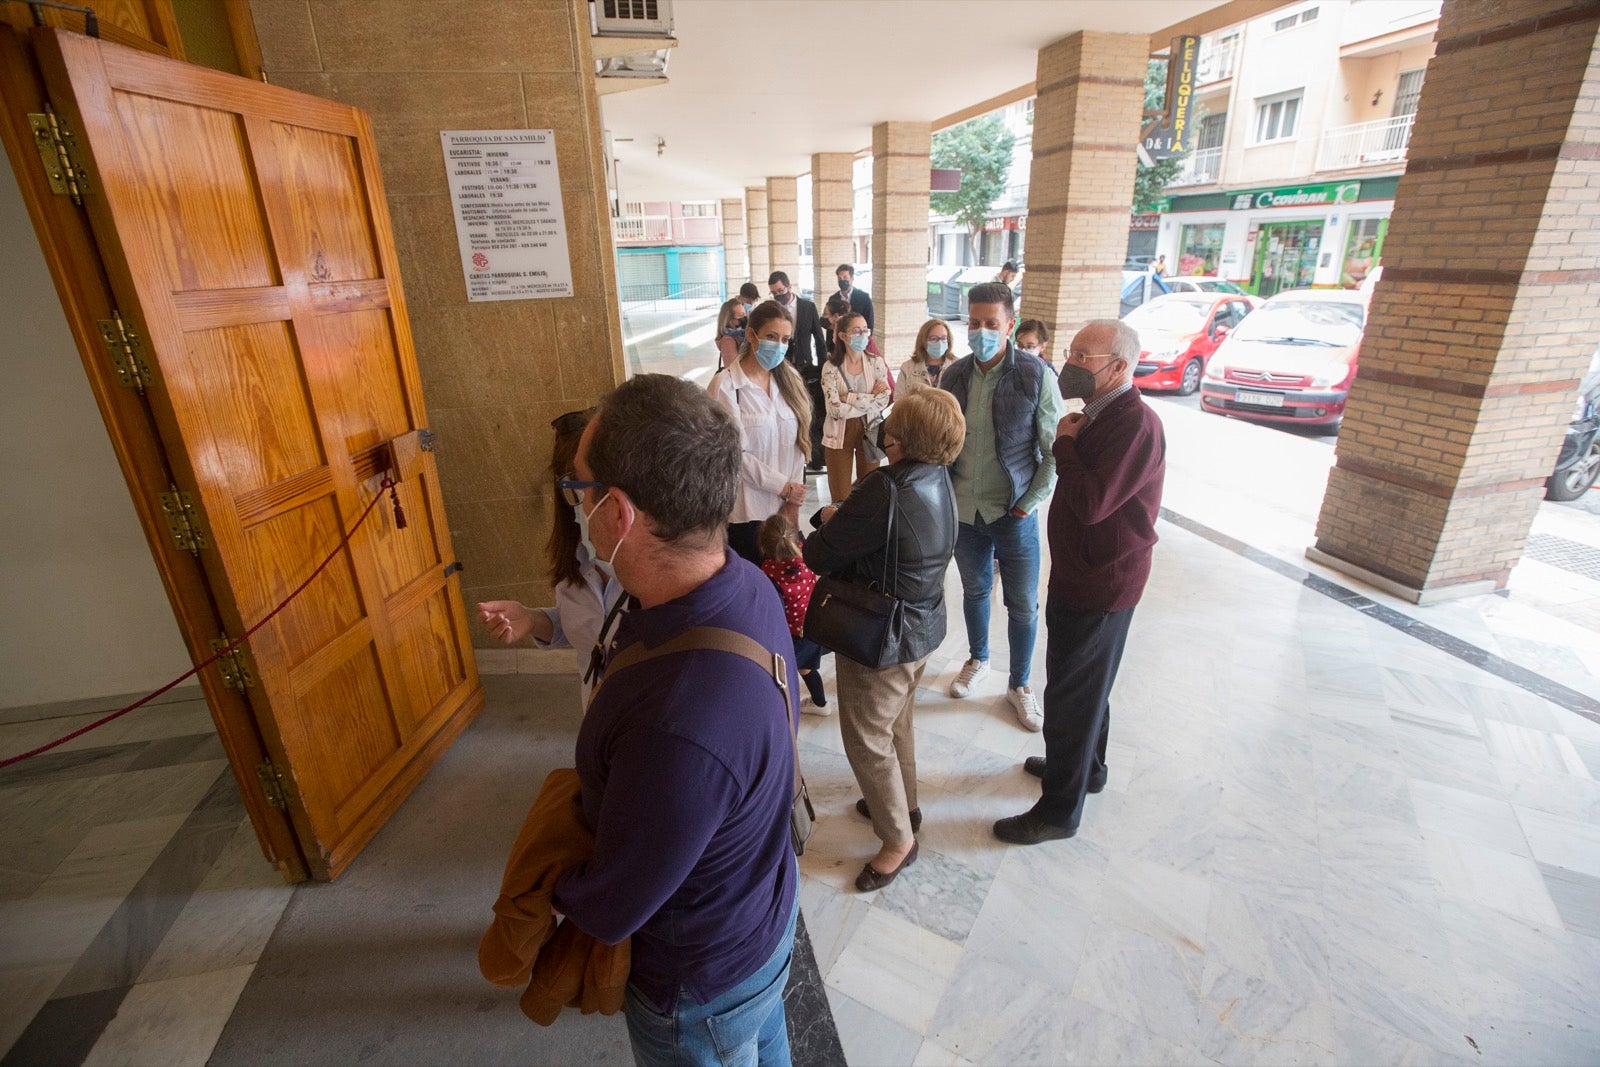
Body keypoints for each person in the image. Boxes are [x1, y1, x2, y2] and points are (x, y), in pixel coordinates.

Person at [551, 373, 800, 1066]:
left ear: (618, 513)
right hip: (760, 911)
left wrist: (546, 881)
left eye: (579, 488)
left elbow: (613, 906)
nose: (573, 504)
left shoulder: (678, 721)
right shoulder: (741, 583)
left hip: (701, 983)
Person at [994, 319, 1165, 845]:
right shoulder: (1100, 412)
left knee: (1071, 691)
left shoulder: (1133, 423)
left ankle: (1058, 811)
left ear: (1118, 366)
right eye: (1069, 350)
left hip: (1102, 581)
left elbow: (1092, 503)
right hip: (1084, 574)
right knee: (1088, 686)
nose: (1069, 362)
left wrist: (1063, 445)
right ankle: (1086, 769)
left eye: (1082, 355)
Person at [803, 389, 962, 891]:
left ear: (902, 437)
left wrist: (830, 517)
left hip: (884, 636)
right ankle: (903, 807)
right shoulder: (939, 475)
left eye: (893, 421)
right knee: (898, 725)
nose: (885, 424)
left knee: (867, 738)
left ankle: (897, 841)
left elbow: (818, 555)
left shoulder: (884, 488)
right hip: (923, 624)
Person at [938, 282, 1063, 729]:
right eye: (974, 323)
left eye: (992, 323)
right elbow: (940, 442)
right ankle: (978, 659)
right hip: (965, 512)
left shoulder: (1035, 375)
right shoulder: (952, 376)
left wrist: (1029, 503)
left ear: (1010, 324)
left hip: (1014, 512)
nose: (981, 331)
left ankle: (1021, 684)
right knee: (974, 591)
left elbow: (1054, 450)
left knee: (1024, 605)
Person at [477, 409, 622, 709]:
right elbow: (582, 629)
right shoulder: (578, 556)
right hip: (597, 716)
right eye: (574, 487)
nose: (586, 502)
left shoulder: (651, 564)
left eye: (592, 485)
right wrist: (532, 620)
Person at [710, 300, 812, 563]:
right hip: (748, 516)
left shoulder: (790, 381)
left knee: (790, 595)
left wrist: (793, 500)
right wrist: (784, 488)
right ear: (750, 335)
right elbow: (734, 455)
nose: (778, 345)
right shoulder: (726, 386)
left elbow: (799, 445)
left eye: (785, 339)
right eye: (771, 336)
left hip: (786, 513)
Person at [758, 513, 828, 711]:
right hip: (811, 624)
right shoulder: (807, 553)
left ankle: (786, 707)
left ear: (763, 547)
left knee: (785, 670)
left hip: (791, 634)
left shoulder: (770, 574)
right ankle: (819, 703)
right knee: (807, 668)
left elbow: (775, 611)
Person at [821, 312, 892, 503]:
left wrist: (850, 398)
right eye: (857, 331)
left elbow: (884, 399)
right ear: (843, 336)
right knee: (840, 497)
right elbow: (834, 409)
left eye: (865, 330)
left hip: (869, 432)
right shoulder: (830, 367)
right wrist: (870, 399)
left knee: (869, 493)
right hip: (838, 435)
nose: (863, 335)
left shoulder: (875, 362)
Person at [769, 271, 829, 470]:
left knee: (807, 409)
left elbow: (819, 341)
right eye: (774, 293)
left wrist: (822, 369)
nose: (778, 295)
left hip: (805, 366)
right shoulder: (773, 310)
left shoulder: (807, 307)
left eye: (780, 290)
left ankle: (811, 452)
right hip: (780, 366)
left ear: (789, 287)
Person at [898, 319, 953, 397]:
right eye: (934, 339)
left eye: (943, 338)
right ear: (923, 341)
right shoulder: (907, 368)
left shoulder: (958, 366)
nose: (939, 343)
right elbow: (899, 401)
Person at [835, 264, 874, 331]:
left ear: (852, 278)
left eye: (845, 277)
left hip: (857, 339)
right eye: (839, 278)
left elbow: (869, 323)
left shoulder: (864, 298)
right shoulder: (834, 299)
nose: (842, 280)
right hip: (838, 339)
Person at [713, 297, 748, 370]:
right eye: (740, 315)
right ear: (730, 319)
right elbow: (732, 369)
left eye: (744, 314)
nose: (744, 318)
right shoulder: (728, 341)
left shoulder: (742, 335)